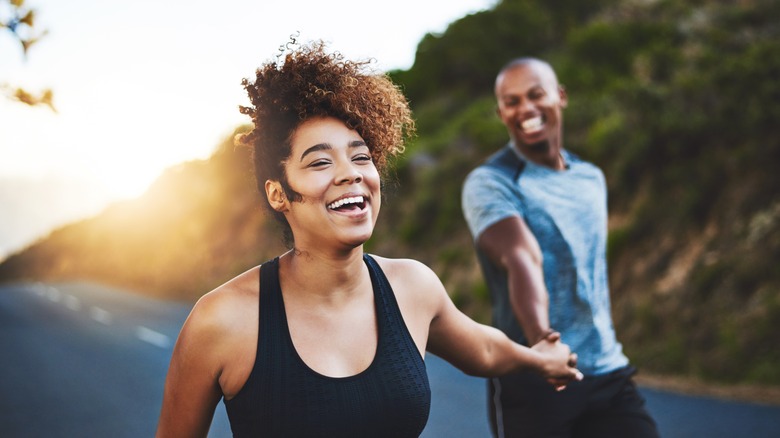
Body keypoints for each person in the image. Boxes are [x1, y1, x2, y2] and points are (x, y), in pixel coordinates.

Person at [156, 41, 582, 438]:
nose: (350, 173)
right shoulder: (222, 319)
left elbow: (485, 350)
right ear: (278, 192)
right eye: (320, 161)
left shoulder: (412, 287)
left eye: (361, 156)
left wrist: (540, 359)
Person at [461, 57, 659, 437]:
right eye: (512, 101)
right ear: (501, 112)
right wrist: (543, 341)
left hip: (606, 369)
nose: (526, 109)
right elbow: (521, 257)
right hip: (535, 376)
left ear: (560, 96)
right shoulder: (490, 182)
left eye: (536, 95)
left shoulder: (591, 178)